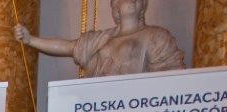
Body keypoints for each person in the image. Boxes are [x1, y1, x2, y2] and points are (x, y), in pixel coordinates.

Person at [13, 0, 184, 78]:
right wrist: (31, 40)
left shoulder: (157, 36)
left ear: (143, 5)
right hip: (100, 108)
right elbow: (68, 47)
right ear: (114, 6)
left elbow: (169, 80)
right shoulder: (101, 39)